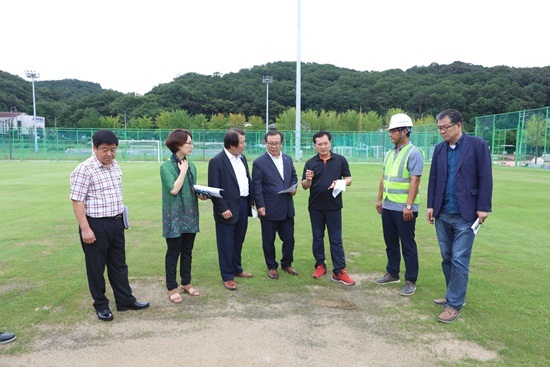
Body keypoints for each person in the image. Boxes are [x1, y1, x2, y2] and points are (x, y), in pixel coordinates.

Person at [70, 130, 149, 321]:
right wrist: (85, 229)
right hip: (95, 224)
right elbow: (77, 201)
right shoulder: (84, 169)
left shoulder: (115, 166)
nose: (109, 154)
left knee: (119, 264)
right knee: (96, 267)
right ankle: (101, 305)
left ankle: (125, 300)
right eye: (104, 150)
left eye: (113, 150)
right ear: (94, 148)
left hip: (116, 222)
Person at [427, 109, 493, 323]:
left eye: (445, 127)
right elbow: (434, 179)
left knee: (459, 258)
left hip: (467, 214)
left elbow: (485, 177)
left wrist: (483, 207)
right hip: (443, 212)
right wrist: (430, 206)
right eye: (439, 128)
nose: (442, 132)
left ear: (458, 126)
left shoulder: (477, 145)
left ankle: (454, 304)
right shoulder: (439, 150)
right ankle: (452, 294)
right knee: (447, 257)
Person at [374, 114, 424, 296]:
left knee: (408, 244)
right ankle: (392, 273)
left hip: (405, 209)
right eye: (390, 131)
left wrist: (409, 206)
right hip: (388, 206)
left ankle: (410, 280)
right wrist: (380, 199)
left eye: (394, 130)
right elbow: (384, 178)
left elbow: (415, 181)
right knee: (390, 242)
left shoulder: (414, 153)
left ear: (405, 131)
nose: (391, 134)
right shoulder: (389, 153)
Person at [161, 129, 208, 303]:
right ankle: (172, 287)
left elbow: (190, 188)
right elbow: (173, 189)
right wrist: (182, 171)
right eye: (188, 143)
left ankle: (186, 283)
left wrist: (201, 194)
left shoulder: (191, 165)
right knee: (173, 252)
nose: (191, 146)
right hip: (173, 217)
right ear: (178, 144)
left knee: (187, 251)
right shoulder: (166, 167)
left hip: (190, 215)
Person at [301, 130, 355, 286]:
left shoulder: (340, 160)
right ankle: (320, 265)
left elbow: (349, 179)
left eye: (325, 143)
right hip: (316, 207)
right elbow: (304, 186)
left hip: (334, 207)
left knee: (336, 239)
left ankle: (339, 271)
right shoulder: (310, 163)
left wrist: (339, 183)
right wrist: (308, 180)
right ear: (315, 146)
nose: (323, 147)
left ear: (330, 143)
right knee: (317, 237)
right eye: (319, 144)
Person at [208, 128, 254, 290]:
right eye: (242, 142)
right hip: (227, 209)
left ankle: (237, 269)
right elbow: (214, 189)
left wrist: (252, 201)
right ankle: (227, 276)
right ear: (232, 144)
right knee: (226, 243)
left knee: (238, 240)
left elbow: (248, 180)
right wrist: (223, 209)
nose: (244, 145)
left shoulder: (242, 159)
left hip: (243, 205)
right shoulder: (217, 161)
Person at [252, 130, 299, 279]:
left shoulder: (287, 159)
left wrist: (294, 187)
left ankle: (287, 263)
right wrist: (260, 205)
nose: (274, 146)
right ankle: (272, 267)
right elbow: (257, 186)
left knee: (289, 238)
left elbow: (293, 176)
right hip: (269, 208)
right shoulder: (259, 162)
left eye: (276, 143)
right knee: (268, 240)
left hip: (286, 207)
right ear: (266, 143)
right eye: (270, 143)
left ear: (281, 143)